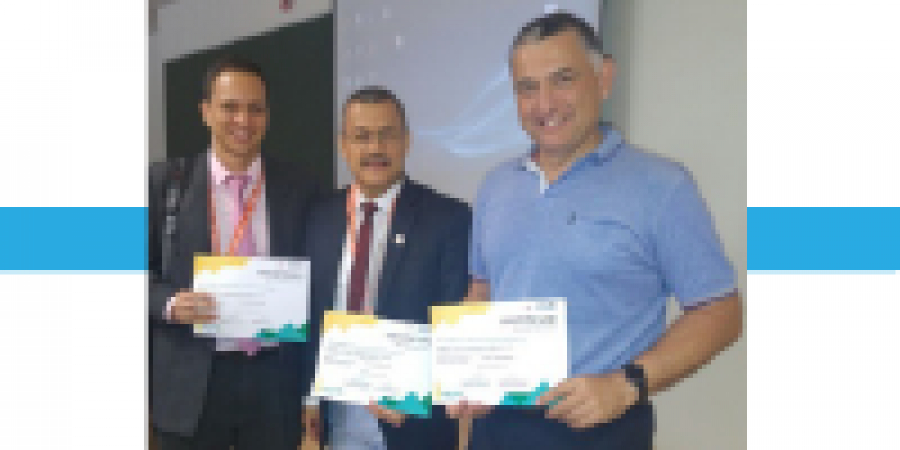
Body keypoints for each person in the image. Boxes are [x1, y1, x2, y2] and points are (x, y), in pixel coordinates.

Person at [449, 11, 744, 450]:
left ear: (603, 78)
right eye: (528, 88)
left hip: (603, 430)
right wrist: (465, 373)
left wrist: (627, 384)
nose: (545, 104)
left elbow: (721, 312)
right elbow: (484, 290)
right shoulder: (496, 185)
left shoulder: (662, 187)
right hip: (498, 429)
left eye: (563, 80)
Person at [148, 55, 318, 450]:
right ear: (205, 111)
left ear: (268, 116)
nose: (243, 120)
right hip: (192, 380)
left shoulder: (302, 187)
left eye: (255, 108)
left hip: (274, 381)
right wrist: (169, 303)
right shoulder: (162, 183)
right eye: (230, 107)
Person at [301, 86, 469, 450]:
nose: (375, 148)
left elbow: (455, 323)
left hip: (414, 422)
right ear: (343, 145)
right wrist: (309, 399)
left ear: (406, 141)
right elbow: (311, 314)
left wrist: (415, 389)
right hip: (339, 417)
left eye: (387, 135)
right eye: (362, 137)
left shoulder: (448, 218)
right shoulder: (318, 218)